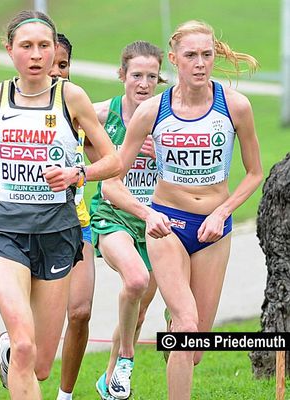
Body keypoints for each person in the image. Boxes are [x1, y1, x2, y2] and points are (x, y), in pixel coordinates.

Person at [0, 10, 120, 400]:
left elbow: (114, 160)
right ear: (10, 51)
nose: (37, 54)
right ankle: (16, 346)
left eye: (45, 46)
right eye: (27, 46)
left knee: (39, 364)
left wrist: (78, 174)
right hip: (6, 231)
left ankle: (11, 352)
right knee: (26, 346)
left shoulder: (71, 97)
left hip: (58, 232)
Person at [102, 20, 263, 400]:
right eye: (190, 55)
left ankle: (176, 321)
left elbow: (255, 173)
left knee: (195, 348)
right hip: (166, 227)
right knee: (187, 327)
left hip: (213, 231)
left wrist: (223, 211)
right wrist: (147, 215)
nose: (200, 63)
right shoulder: (152, 111)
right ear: (174, 60)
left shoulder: (235, 106)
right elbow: (112, 183)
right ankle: (179, 317)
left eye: (207, 54)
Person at [89, 40, 167, 400]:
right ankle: (127, 359)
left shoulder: (167, 117)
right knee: (136, 279)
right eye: (137, 75)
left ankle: (110, 383)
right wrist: (108, 151)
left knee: (136, 315)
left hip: (156, 223)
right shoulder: (106, 112)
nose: (144, 83)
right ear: (122, 76)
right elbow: (64, 124)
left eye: (152, 76)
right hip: (113, 213)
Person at [46, 33, 96, 400]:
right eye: (51, 66)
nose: (56, 73)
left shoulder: (78, 107)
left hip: (77, 225)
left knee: (79, 312)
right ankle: (11, 346)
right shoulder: (17, 109)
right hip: (30, 230)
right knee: (34, 335)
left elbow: (108, 157)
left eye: (63, 66)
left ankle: (66, 396)